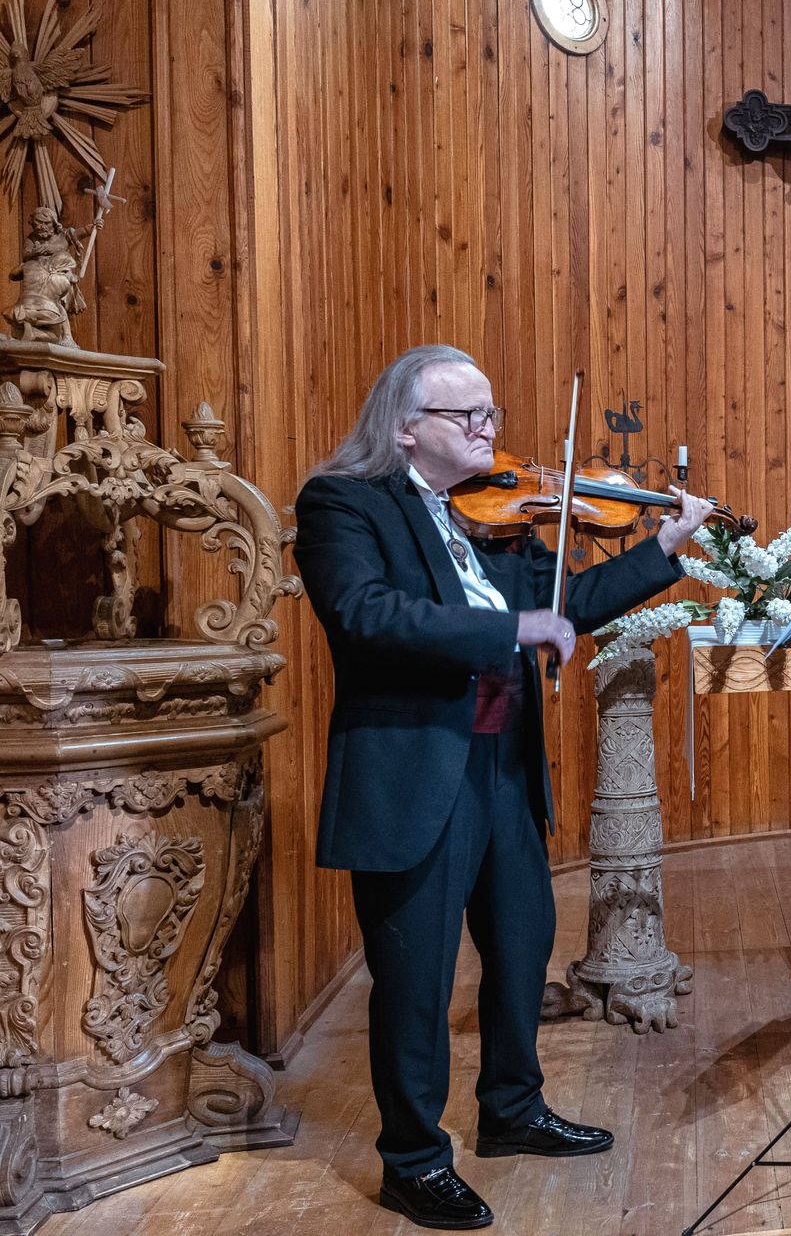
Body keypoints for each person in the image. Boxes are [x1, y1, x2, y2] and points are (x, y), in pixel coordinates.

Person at [293, 345, 713, 1229]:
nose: (490, 430)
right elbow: (366, 615)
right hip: (416, 774)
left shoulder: (483, 522)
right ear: (406, 427)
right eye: (469, 416)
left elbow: (570, 604)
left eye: (491, 415)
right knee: (417, 978)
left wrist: (664, 550)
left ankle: (513, 1111)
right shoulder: (345, 504)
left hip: (502, 766)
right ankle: (412, 1159)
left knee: (522, 947)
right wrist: (508, 627)